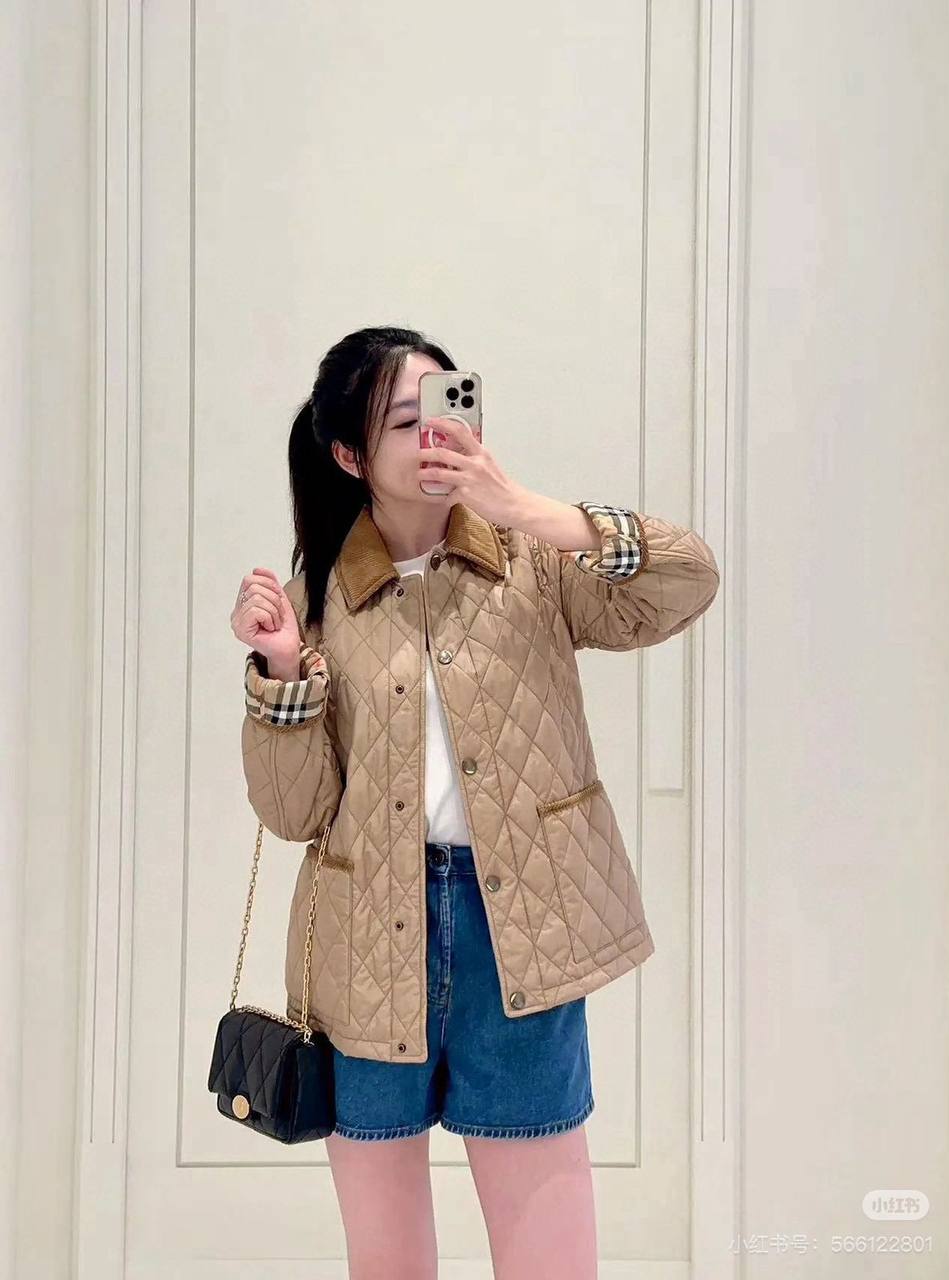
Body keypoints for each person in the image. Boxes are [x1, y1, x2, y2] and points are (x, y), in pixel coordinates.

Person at [230, 326, 720, 1279]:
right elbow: (294, 814)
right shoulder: (316, 598)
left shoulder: (534, 559)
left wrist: (525, 506)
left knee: (550, 1259)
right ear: (349, 456)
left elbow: (689, 580)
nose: (435, 435)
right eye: (402, 421)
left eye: (445, 407)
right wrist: (284, 670)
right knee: (388, 1261)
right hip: (367, 945)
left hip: (521, 928)